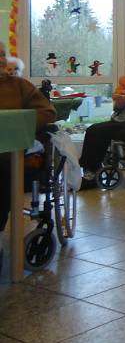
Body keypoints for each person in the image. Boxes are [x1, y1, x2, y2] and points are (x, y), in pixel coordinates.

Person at [0, 40, 56, 235]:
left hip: (11, 148)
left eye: (2, 54)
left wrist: (16, 126)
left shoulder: (19, 85)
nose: (1, 60)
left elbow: (47, 112)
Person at [78, 52, 125, 181]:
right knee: (92, 129)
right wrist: (122, 100)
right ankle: (89, 168)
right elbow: (117, 104)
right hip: (123, 117)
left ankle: (91, 171)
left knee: (99, 131)